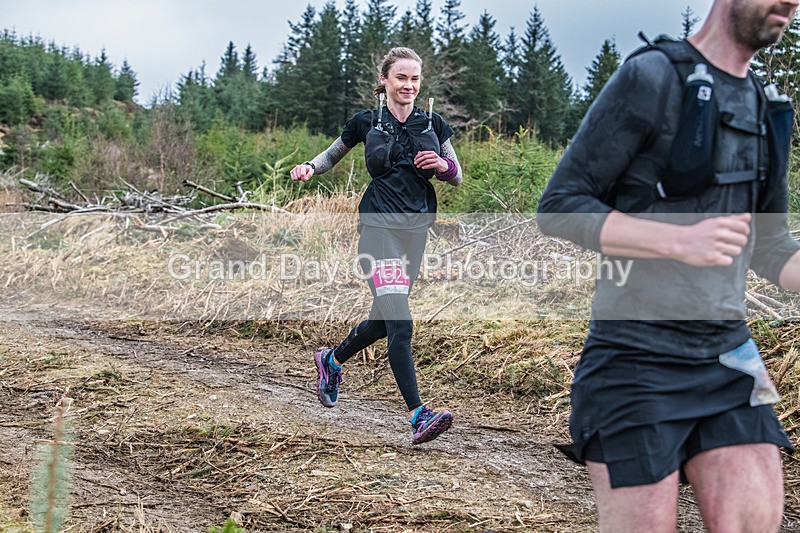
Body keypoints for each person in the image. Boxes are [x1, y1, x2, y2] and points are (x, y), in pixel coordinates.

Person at [537, 0, 800, 531]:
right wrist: (677, 240)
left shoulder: (768, 107)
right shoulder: (652, 75)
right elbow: (561, 206)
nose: (791, 2)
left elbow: (771, 246)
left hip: (730, 355)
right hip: (634, 360)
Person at [289, 47, 462, 445]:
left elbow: (456, 175)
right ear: (384, 80)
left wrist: (442, 165)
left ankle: (331, 361)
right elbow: (332, 155)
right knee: (401, 323)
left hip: (415, 232)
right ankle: (419, 415)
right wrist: (309, 168)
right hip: (377, 229)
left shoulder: (434, 123)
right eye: (402, 77)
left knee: (384, 322)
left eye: (415, 78)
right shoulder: (366, 122)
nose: (409, 85)